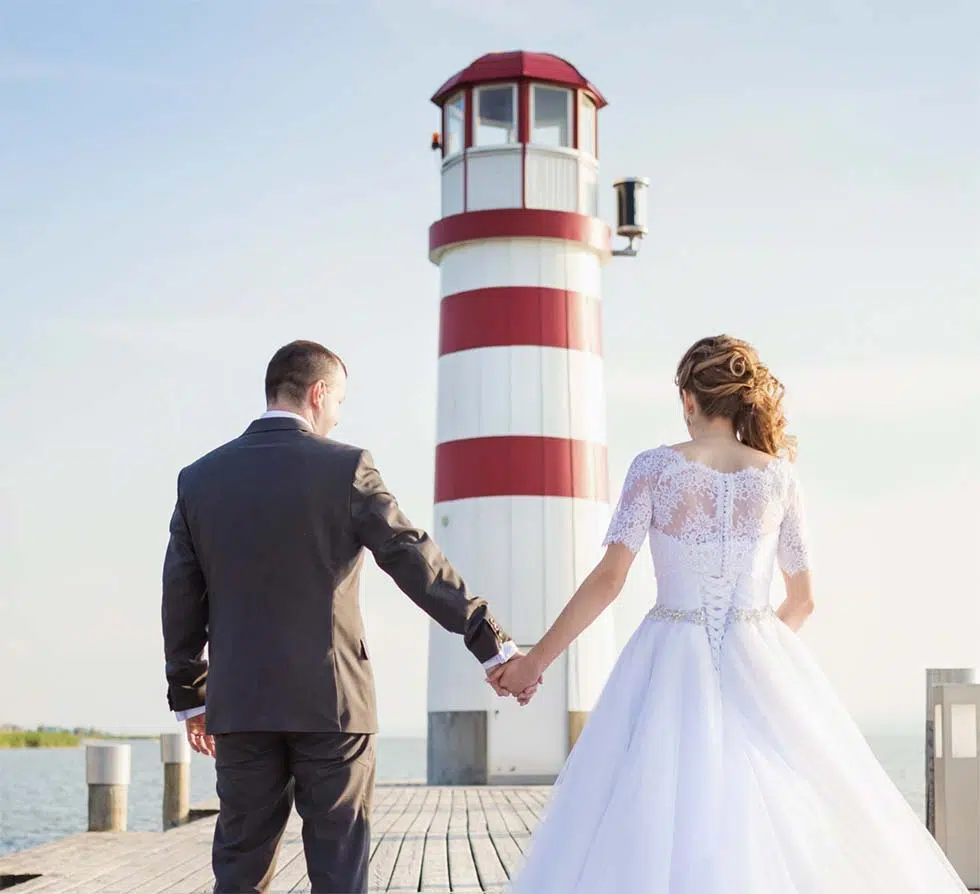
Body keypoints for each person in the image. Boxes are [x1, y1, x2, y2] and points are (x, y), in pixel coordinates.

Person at [490, 335, 968, 893]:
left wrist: (533, 664)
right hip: (761, 654)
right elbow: (803, 599)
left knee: (649, 809)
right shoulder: (779, 477)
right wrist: (757, 654)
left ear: (689, 400)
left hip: (667, 656)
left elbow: (609, 580)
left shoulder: (654, 467)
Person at [161, 339, 527, 894]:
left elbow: (181, 597)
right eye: (338, 403)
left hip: (240, 705)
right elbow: (413, 559)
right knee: (339, 871)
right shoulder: (347, 467)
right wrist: (488, 639)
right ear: (319, 392)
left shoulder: (200, 478)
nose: (337, 417)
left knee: (239, 869)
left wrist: (191, 694)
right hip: (333, 705)